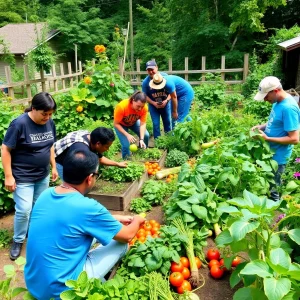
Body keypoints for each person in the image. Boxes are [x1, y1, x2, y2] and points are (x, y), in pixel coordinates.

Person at [24, 149, 145, 299]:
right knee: (121, 244)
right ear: (89, 178)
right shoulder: (88, 207)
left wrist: (114, 218)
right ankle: (90, 285)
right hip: (61, 291)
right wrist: (138, 220)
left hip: (34, 284)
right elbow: (127, 235)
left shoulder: (46, 194)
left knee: (83, 234)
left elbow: (74, 219)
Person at [1, 92, 58, 260]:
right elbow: (5, 149)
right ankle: (18, 240)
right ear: (34, 109)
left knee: (38, 207)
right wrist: (8, 176)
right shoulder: (19, 124)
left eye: (50, 114)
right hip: (22, 176)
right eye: (44, 114)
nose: (47, 117)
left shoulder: (50, 123)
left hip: (42, 175)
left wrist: (53, 166)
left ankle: (33, 235)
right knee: (24, 210)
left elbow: (50, 146)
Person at [251, 76, 300, 201]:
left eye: (266, 96)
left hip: (278, 156)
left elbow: (294, 139)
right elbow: (275, 122)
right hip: (270, 153)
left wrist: (267, 139)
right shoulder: (277, 102)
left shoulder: (288, 108)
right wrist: (261, 127)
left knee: (274, 189)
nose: (265, 99)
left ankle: (276, 215)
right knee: (269, 184)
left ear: (275, 91)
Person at [54, 127, 127, 180]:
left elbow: (100, 159)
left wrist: (117, 164)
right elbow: (78, 169)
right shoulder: (81, 150)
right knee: (72, 185)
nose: (108, 149)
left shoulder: (94, 140)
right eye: (107, 147)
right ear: (98, 144)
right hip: (61, 161)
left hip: (73, 155)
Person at [113, 91, 149, 159]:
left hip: (133, 122)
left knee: (146, 135)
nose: (140, 109)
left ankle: (143, 152)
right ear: (133, 100)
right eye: (138, 106)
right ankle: (127, 162)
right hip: (121, 125)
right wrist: (127, 135)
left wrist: (141, 139)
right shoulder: (122, 107)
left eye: (142, 106)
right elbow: (116, 124)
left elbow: (142, 124)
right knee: (126, 146)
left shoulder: (144, 108)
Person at [142, 61, 171, 138]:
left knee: (167, 121)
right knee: (156, 124)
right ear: (146, 71)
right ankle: (158, 141)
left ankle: (168, 139)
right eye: (149, 70)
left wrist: (167, 101)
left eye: (152, 69)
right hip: (153, 105)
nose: (151, 72)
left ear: (157, 68)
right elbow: (145, 95)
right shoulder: (145, 82)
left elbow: (172, 91)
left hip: (166, 103)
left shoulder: (165, 77)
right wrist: (153, 103)